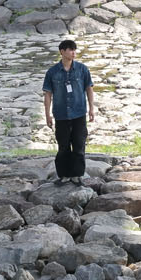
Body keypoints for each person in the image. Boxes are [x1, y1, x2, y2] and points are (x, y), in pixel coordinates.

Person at [42, 38, 96, 181]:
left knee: (79, 145)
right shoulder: (52, 72)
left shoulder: (82, 69)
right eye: (70, 50)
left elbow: (89, 88)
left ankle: (77, 175)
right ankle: (64, 175)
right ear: (62, 52)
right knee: (63, 146)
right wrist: (47, 115)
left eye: (74, 50)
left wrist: (92, 108)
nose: (73, 52)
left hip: (79, 112)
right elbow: (48, 94)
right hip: (61, 114)